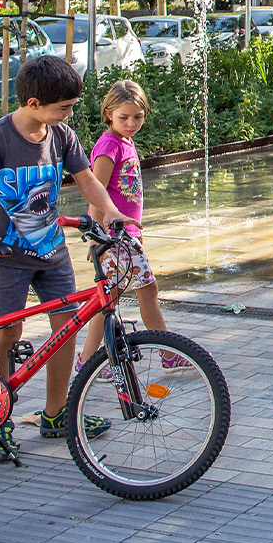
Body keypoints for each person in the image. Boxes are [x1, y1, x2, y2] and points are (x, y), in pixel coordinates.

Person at [0, 55, 120, 462]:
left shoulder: (62, 135)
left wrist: (112, 213)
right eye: (64, 108)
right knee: (7, 336)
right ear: (34, 103)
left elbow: (88, 181)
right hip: (5, 258)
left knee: (64, 331)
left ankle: (56, 415)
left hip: (52, 253)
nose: (69, 114)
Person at [77, 79, 182, 378]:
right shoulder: (109, 144)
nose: (132, 123)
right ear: (108, 113)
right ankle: (168, 353)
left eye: (138, 117)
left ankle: (89, 361)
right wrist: (96, 236)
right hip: (114, 237)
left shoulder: (125, 141)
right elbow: (95, 190)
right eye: (124, 117)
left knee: (107, 299)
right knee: (147, 291)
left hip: (125, 235)